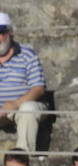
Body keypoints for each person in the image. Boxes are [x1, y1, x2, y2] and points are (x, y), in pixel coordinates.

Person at [0, 12, 47, 153]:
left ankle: (22, 160)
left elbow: (38, 88)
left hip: (21, 107)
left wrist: (14, 104)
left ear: (11, 33)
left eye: (1, 32)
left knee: (28, 109)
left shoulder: (27, 55)